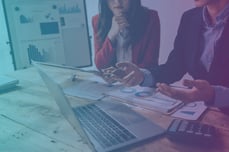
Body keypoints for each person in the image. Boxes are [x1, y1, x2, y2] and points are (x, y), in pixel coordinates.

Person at [113, 0, 229, 112]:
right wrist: (142, 76)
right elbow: (174, 67)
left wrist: (214, 94)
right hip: (203, 112)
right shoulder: (190, 18)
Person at [92, 0, 160, 73]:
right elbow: (100, 65)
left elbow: (150, 63)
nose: (117, 2)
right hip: (112, 82)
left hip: (139, 82)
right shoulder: (98, 20)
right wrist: (111, 35)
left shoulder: (150, 18)